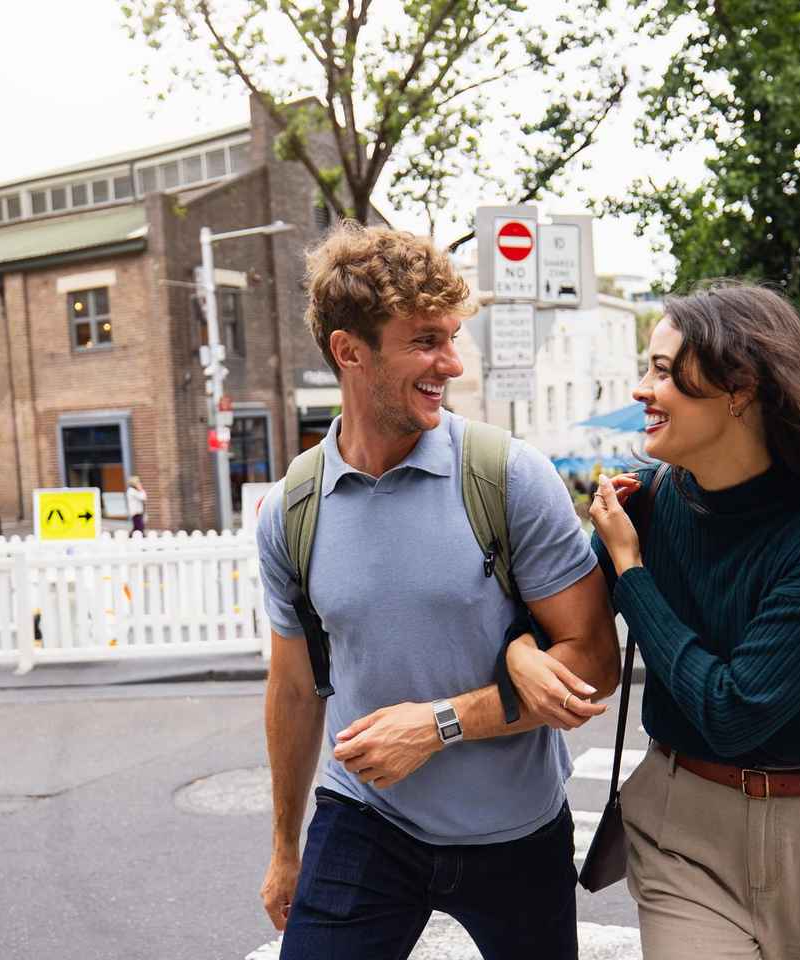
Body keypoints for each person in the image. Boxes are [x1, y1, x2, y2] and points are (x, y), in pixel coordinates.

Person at [506, 281, 800, 960]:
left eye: (664, 371)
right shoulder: (645, 504)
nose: (642, 389)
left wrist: (632, 572)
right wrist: (520, 651)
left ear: (740, 389)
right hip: (682, 828)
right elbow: (543, 622)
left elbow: (734, 711)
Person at [255, 223, 620, 960]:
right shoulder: (293, 507)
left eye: (451, 338)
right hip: (366, 820)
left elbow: (593, 664)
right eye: (425, 341)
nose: (450, 363)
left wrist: (438, 725)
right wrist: (285, 847)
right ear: (349, 351)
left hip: (516, 828)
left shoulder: (508, 477)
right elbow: (294, 689)